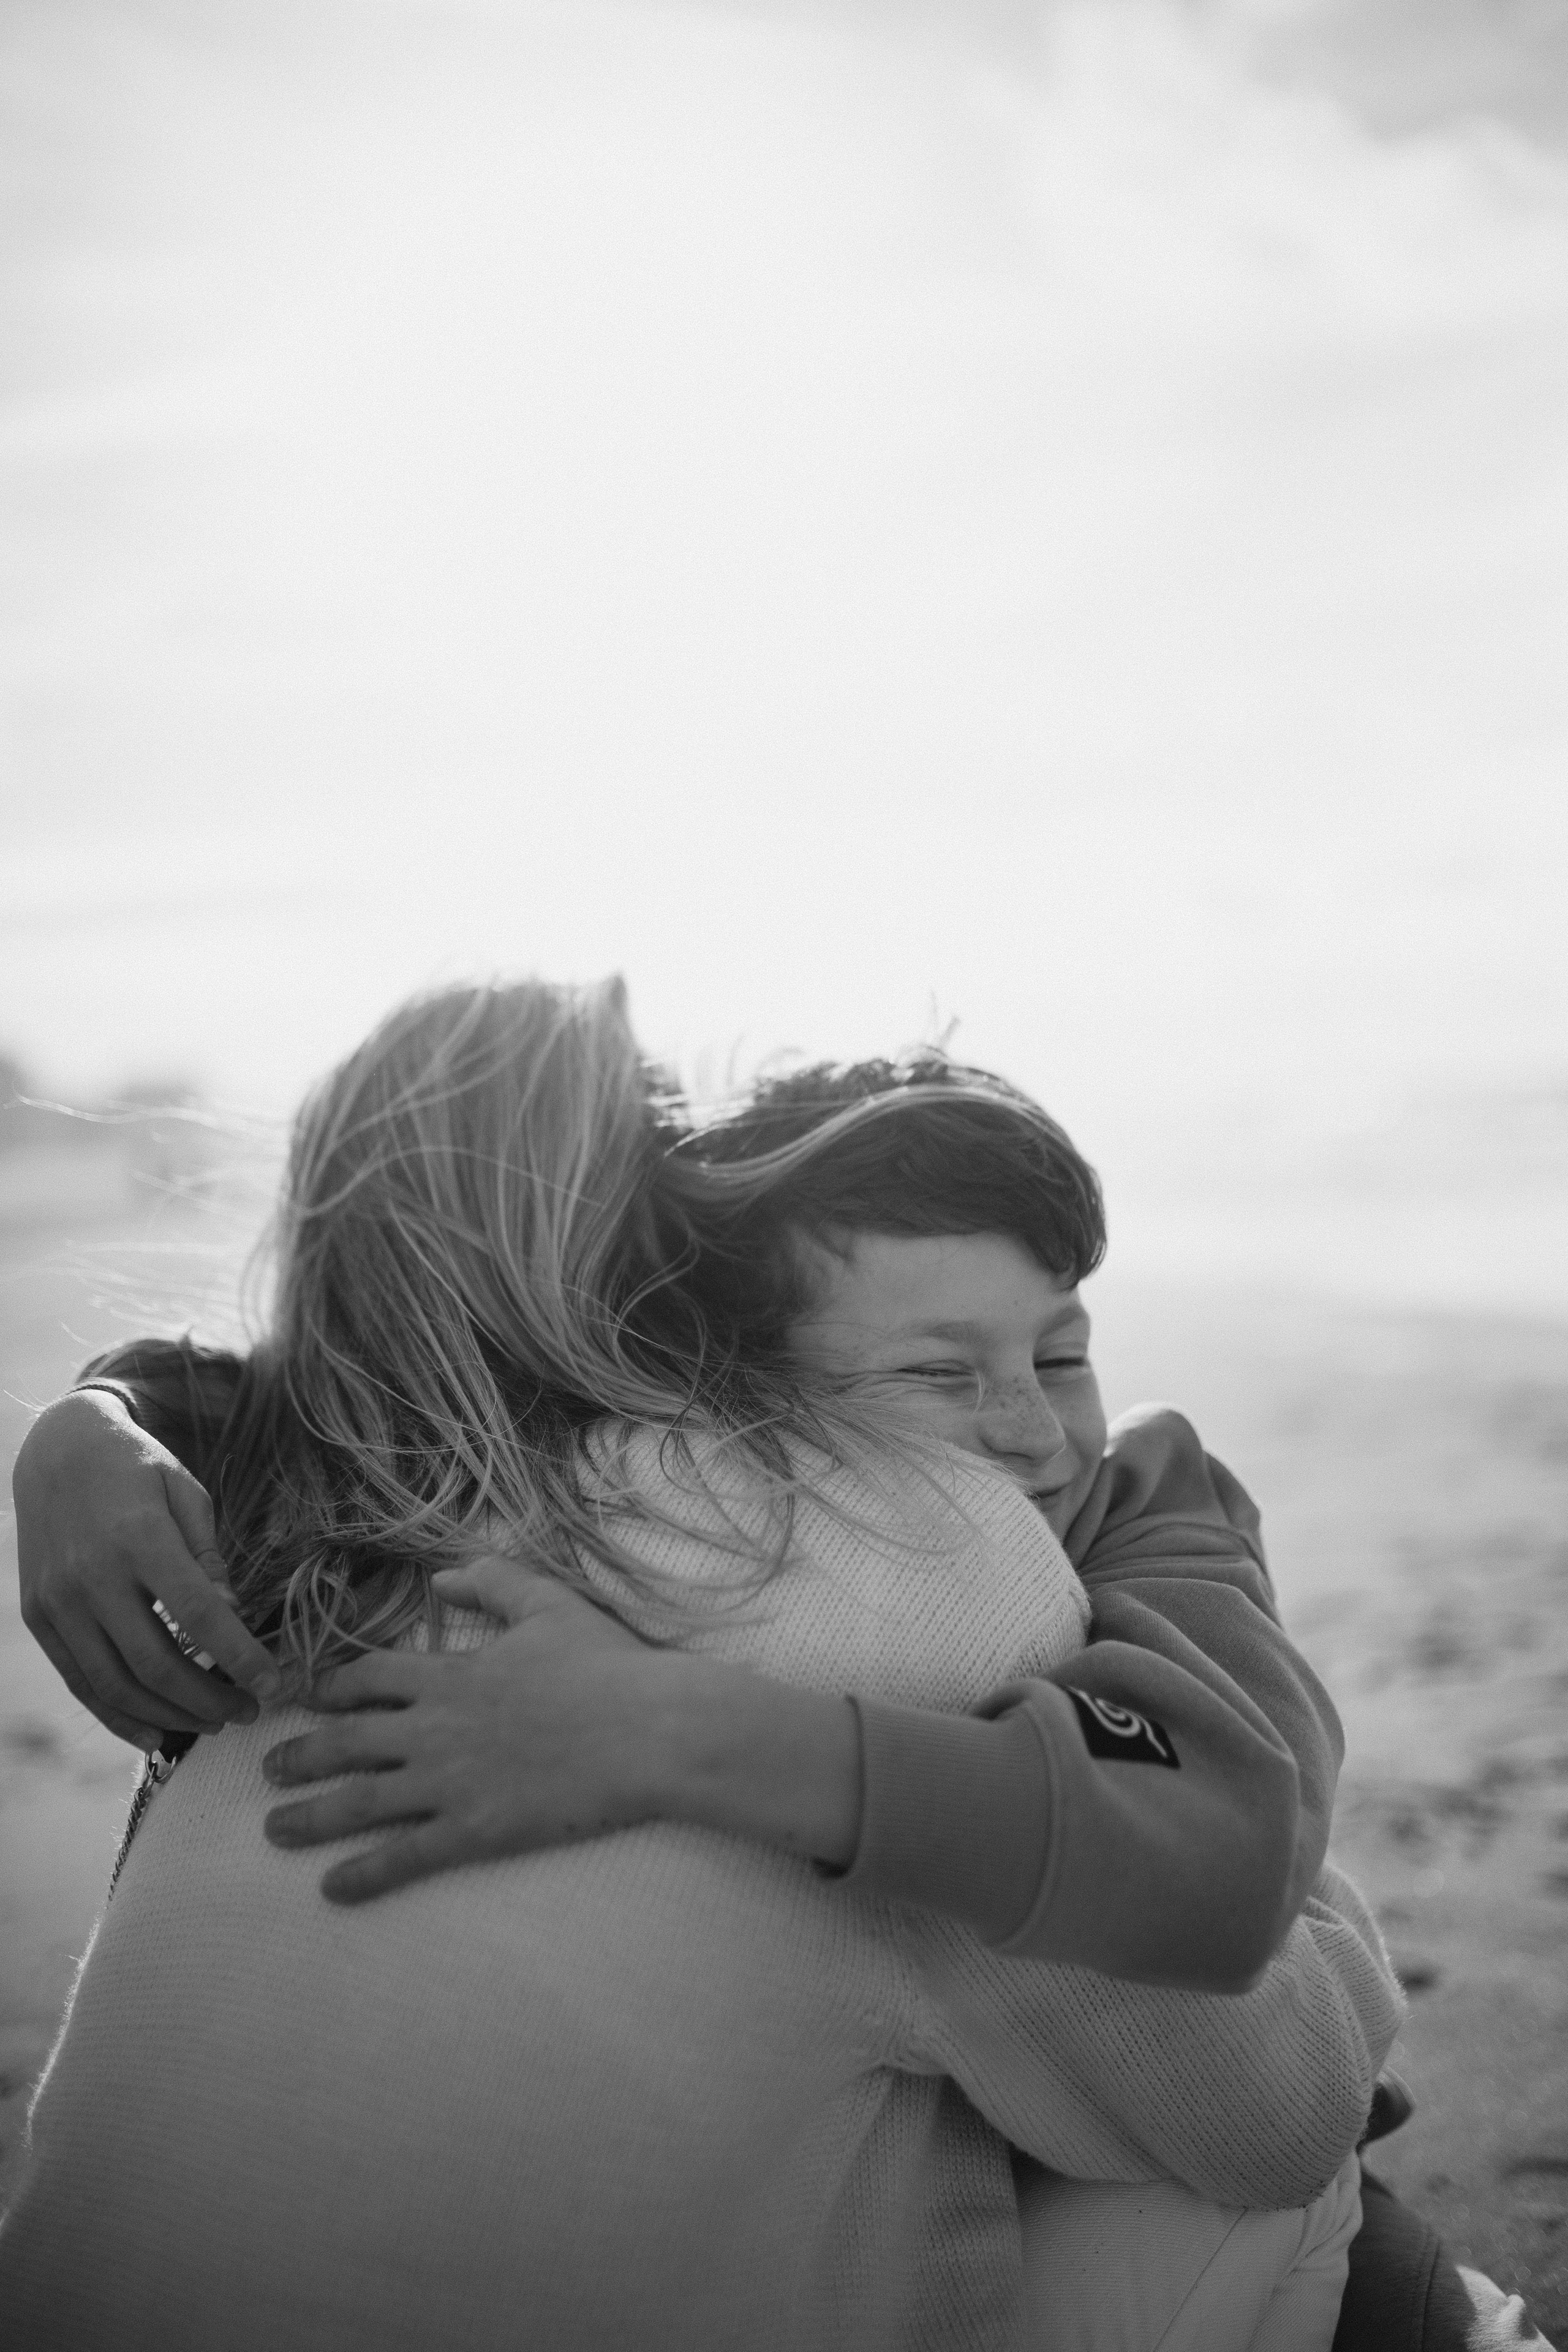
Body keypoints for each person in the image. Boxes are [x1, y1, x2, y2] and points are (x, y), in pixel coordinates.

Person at [2, 987, 1400, 2348]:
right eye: (930, 1374)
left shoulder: (253, 1533)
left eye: (1060, 1353)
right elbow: (1272, 2112)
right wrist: (1319, 1929)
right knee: (1292, 2189)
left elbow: (249, 1392)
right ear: (687, 1295)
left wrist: (97, 1412)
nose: (1027, 1430)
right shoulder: (910, 1574)